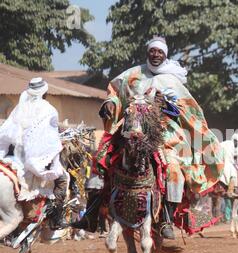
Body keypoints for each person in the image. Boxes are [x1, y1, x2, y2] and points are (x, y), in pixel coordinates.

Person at [72, 36, 223, 239]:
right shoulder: (132, 75)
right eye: (152, 51)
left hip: (164, 137)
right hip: (130, 132)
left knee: (174, 171)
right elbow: (115, 93)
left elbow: (185, 110)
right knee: (102, 162)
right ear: (148, 52)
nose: (155, 54)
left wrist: (166, 105)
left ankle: (166, 220)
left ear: (165, 55)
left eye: (160, 52)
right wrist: (109, 103)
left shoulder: (172, 81)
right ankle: (91, 216)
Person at [0, 78, 68, 230]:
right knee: (63, 178)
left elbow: (7, 132)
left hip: (12, 157)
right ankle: (55, 218)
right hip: (31, 161)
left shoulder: (20, 107)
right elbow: (48, 141)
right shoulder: (49, 109)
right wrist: (59, 145)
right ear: (45, 92)